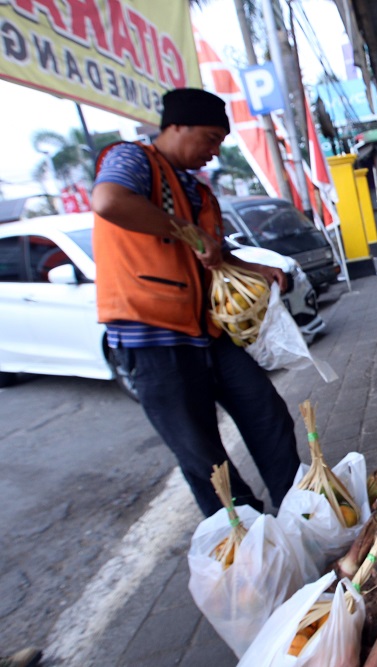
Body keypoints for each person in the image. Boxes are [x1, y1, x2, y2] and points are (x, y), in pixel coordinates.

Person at [90, 88, 301, 517]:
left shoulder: (198, 192)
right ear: (176, 126)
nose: (213, 150)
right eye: (208, 137)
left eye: (220, 141)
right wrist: (187, 231)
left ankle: (303, 513)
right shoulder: (132, 160)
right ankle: (251, 542)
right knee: (205, 458)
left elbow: (214, 251)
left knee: (268, 415)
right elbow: (108, 201)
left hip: (208, 334)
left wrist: (256, 270)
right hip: (152, 337)